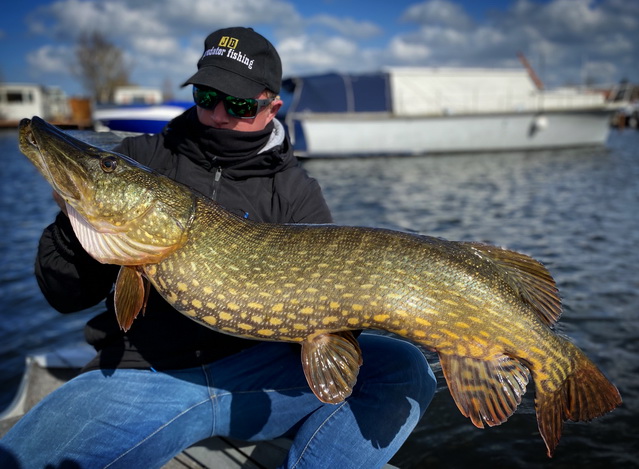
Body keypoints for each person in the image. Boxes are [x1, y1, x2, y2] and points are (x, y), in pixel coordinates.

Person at [0, 27, 436, 468]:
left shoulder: (297, 192)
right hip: (142, 373)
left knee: (403, 366)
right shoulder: (145, 157)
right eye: (208, 96)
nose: (221, 114)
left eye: (241, 104)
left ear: (272, 106)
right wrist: (79, 220)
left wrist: (346, 311)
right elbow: (64, 295)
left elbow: (323, 333)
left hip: (259, 375)